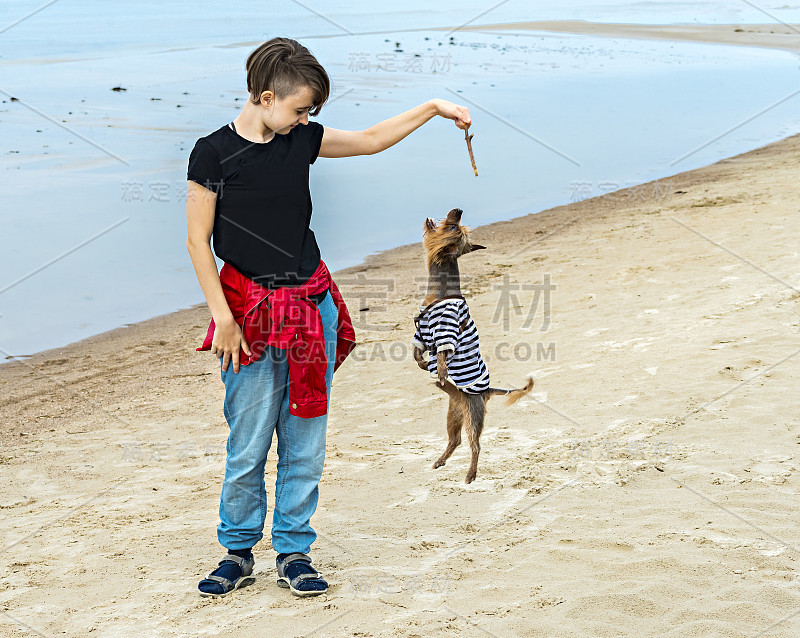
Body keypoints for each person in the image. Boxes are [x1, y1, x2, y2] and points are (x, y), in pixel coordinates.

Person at [185, 36, 471, 598]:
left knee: (305, 441)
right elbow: (199, 242)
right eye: (300, 109)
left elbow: (368, 140)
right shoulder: (212, 153)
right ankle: (238, 552)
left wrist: (433, 107)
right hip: (248, 315)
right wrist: (222, 319)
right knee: (247, 444)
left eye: (311, 112)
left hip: (311, 305)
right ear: (267, 97)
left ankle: (293, 551)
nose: (306, 120)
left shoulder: (301, 140)